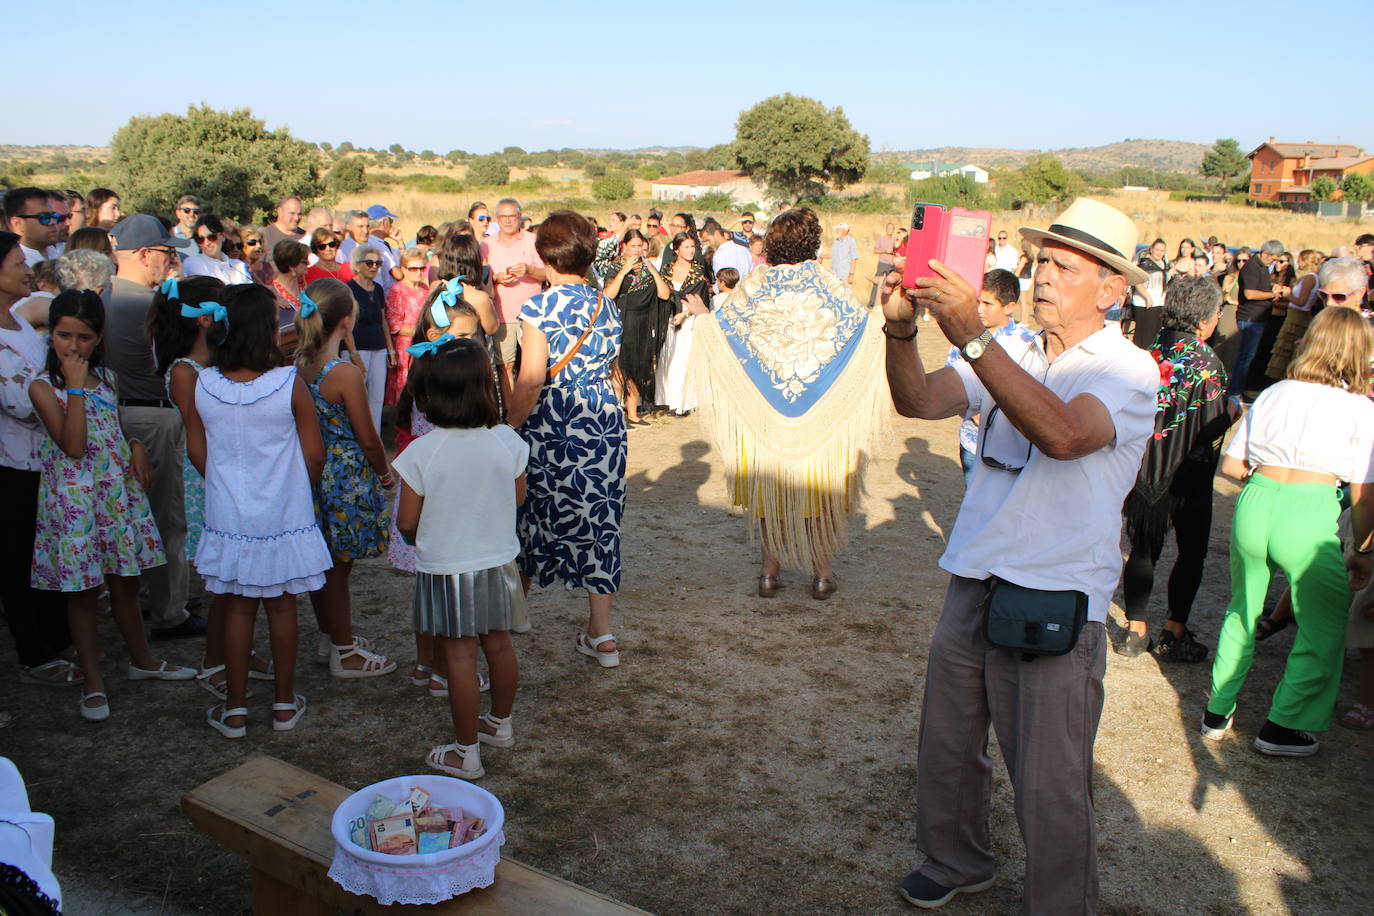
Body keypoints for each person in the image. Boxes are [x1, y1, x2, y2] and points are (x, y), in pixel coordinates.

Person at [882, 197, 1157, 913]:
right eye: (1040, 263)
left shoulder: (1128, 372)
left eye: (1063, 268)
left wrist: (974, 336)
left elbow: (1065, 434)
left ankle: (1061, 904)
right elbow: (919, 401)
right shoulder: (1017, 349)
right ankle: (955, 860)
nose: (1041, 279)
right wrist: (900, 330)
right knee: (946, 745)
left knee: (1050, 778)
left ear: (1111, 291)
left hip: (1057, 592)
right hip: (976, 573)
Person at [690, 207, 890, 601]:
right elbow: (864, 328)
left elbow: (727, 328)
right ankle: (822, 573)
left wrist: (702, 320)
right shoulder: (829, 284)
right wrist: (882, 307)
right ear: (813, 242)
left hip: (765, 411)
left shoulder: (754, 285)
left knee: (769, 490)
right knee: (821, 487)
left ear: (772, 245)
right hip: (821, 410)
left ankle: (769, 572)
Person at [1205, 306, 1374, 757]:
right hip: (1311, 507)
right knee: (1323, 624)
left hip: (1256, 500)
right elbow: (1363, 492)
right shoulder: (1362, 409)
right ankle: (1285, 725)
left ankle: (1217, 711)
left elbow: (1234, 464)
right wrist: (1362, 548)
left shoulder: (1275, 392)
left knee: (1241, 609)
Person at [29, 290, 197, 721]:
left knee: (125, 581)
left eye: (84, 337)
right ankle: (93, 681)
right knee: (84, 594)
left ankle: (142, 660)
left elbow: (114, 429)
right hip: (74, 504)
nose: (73, 346)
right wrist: (75, 388)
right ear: (51, 336)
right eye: (64, 335)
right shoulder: (43, 388)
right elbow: (74, 444)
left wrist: (137, 445)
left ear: (99, 336)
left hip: (114, 495)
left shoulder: (107, 379)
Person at [184, 284, 332, 738]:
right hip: (284, 513)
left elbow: (196, 450)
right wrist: (289, 490)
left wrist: (231, 488)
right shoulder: (289, 383)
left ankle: (235, 710)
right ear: (269, 330)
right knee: (283, 606)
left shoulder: (202, 383)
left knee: (238, 610)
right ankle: (284, 704)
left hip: (231, 513)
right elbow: (315, 454)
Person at [394, 338, 525, 780]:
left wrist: (429, 533)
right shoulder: (507, 441)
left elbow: (407, 521)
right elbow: (518, 496)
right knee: (500, 646)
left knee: (460, 661)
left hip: (447, 570)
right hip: (498, 564)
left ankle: (465, 752)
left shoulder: (420, 452)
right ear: (488, 390)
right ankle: (500, 725)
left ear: (428, 395)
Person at [508, 211, 625, 668]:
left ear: (544, 253)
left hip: (553, 423)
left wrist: (510, 427)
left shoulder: (539, 307)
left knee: (529, 512)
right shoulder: (605, 304)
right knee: (601, 520)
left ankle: (516, 613)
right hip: (602, 424)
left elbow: (531, 379)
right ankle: (602, 634)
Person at [148, 276, 274, 700]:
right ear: (205, 320)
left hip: (227, 472)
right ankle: (213, 662)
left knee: (239, 581)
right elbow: (200, 434)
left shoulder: (215, 366)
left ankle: (239, 652)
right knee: (222, 585)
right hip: (208, 480)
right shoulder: (186, 372)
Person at [1120, 276, 1232, 662]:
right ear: (1205, 317)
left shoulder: (1147, 348)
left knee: (1142, 549)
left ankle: (1135, 631)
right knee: (1191, 554)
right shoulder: (1208, 364)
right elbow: (1211, 431)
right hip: (1187, 475)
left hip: (1142, 466)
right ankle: (1174, 630)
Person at [104, 215, 202, 639]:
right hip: (153, 414)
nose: (172, 259)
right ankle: (169, 610)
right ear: (145, 254)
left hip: (118, 414)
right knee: (167, 518)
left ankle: (149, 596)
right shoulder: (149, 305)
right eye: (166, 252)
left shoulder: (103, 296)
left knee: (136, 516)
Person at [295, 278, 397, 679]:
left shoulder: (299, 366)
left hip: (310, 472)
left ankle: (331, 634)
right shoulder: (343, 374)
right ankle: (344, 649)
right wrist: (384, 475)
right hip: (345, 477)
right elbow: (369, 438)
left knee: (326, 564)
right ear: (346, 320)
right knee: (339, 566)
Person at [0, 234, 81, 693]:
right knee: (19, 562)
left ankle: (56, 637)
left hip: (46, 461)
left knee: (46, 554)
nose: (28, 271)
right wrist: (70, 391)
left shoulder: (17, 320)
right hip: (13, 466)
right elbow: (21, 402)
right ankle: (34, 651)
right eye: (16, 264)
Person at [942, 269, 1039, 487]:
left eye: (988, 304)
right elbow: (950, 386)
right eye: (978, 302)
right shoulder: (961, 338)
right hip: (971, 442)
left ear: (1010, 307)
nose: (979, 309)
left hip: (1012, 449)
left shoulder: (1029, 344)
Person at [481, 198, 547, 394]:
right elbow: (480, 278)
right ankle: (511, 419)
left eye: (512, 216)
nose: (508, 221)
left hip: (532, 315)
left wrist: (529, 270)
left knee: (534, 368)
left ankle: (535, 412)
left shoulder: (533, 241)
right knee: (505, 368)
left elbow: (548, 274)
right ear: (497, 219)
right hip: (501, 315)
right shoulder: (485, 245)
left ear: (520, 218)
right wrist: (496, 278)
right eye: (503, 216)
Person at [603, 230, 670, 425]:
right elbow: (608, 295)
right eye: (633, 246)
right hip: (621, 322)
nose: (638, 250)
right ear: (625, 247)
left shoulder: (648, 268)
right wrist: (624, 271)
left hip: (642, 323)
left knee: (638, 370)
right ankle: (616, 416)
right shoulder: (615, 267)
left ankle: (632, 414)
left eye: (641, 246)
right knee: (619, 371)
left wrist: (653, 270)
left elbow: (664, 294)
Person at [347, 244, 396, 433]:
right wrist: (353, 354)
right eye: (369, 263)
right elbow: (346, 326)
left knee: (376, 397)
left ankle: (374, 437)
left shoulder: (377, 289)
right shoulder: (349, 289)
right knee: (356, 396)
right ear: (357, 265)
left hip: (378, 347)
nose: (374, 267)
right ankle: (356, 437)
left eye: (378, 263)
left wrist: (390, 348)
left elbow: (382, 320)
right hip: (357, 347)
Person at [1229, 239, 1286, 402]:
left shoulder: (1261, 267)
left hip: (1257, 317)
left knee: (1247, 356)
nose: (1274, 263)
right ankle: (1235, 391)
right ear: (1265, 253)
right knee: (1245, 356)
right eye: (1273, 259)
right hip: (1251, 317)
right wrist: (1272, 295)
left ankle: (1238, 389)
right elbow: (1250, 294)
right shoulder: (1252, 267)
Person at [1265, 249, 1323, 380]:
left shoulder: (1310, 278)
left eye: (1300, 260)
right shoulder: (1310, 277)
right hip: (1294, 315)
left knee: (1289, 350)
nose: (1298, 262)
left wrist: (1288, 295)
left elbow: (1301, 302)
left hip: (1297, 318)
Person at [385, 248, 431, 406]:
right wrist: (423, 331)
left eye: (421, 268)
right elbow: (394, 324)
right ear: (403, 269)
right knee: (404, 391)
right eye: (413, 268)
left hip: (424, 347)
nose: (418, 272)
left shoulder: (425, 290)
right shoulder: (396, 291)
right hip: (405, 349)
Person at [181, 215, 252, 285]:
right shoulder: (193, 263)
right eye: (201, 239)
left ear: (223, 236)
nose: (206, 243)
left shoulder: (238, 265)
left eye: (211, 237)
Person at [268, 239, 309, 357]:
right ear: (292, 265)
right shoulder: (273, 293)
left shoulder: (305, 288)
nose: (309, 263)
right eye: (304, 261)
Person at [3, 188, 60, 266]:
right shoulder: (10, 264)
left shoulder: (57, 252)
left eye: (54, 216)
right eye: (44, 217)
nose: (53, 222)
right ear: (17, 223)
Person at [702, 220, 753, 287]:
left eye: (708, 240)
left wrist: (711, 289)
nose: (708, 244)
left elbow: (722, 284)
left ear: (717, 234)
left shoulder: (719, 255)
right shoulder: (744, 250)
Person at [826, 222, 859, 287]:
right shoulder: (837, 241)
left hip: (845, 276)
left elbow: (854, 259)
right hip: (834, 274)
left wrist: (851, 274)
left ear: (844, 230)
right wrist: (821, 256)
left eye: (838, 229)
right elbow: (832, 255)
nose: (836, 231)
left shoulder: (851, 241)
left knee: (845, 295)